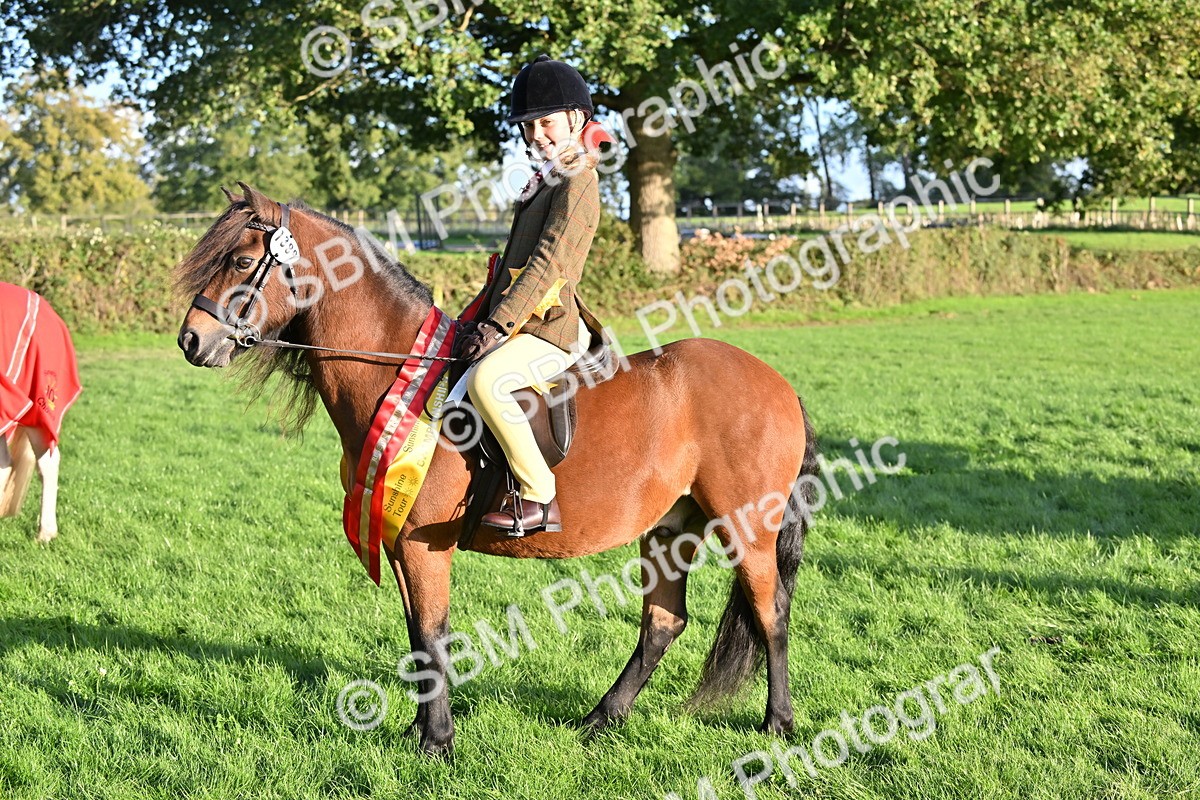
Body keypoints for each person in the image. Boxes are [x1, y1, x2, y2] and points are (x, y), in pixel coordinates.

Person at [453, 54, 613, 537]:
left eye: (544, 122)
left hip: (551, 330)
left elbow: (549, 264)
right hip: (520, 320)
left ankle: (540, 498)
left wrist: (499, 327)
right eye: (527, 127)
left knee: (489, 382)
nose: (535, 135)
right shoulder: (547, 181)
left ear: (576, 119)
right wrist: (478, 319)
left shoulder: (579, 181)